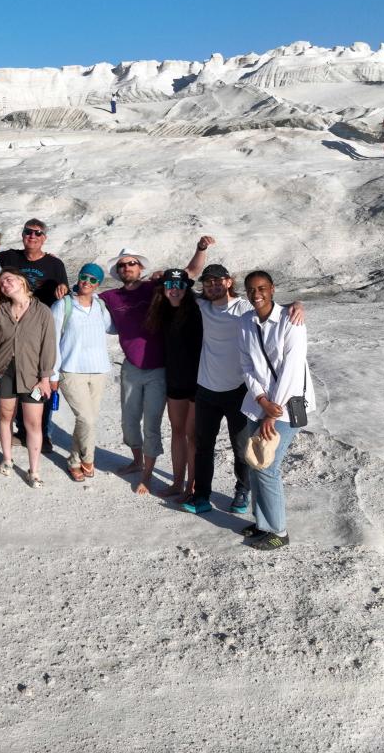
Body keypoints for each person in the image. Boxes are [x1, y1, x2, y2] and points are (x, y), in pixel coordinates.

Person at [181, 235, 304, 516]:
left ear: (228, 282)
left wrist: (297, 303)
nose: (212, 285)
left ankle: (242, 491)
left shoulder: (245, 309)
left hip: (239, 390)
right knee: (203, 446)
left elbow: (270, 305)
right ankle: (201, 495)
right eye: (208, 282)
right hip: (206, 389)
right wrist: (200, 249)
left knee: (240, 447)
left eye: (218, 281)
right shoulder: (201, 306)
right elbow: (186, 278)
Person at [99, 247, 203, 494]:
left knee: (152, 424)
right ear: (118, 271)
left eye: (132, 263)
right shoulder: (110, 297)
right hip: (131, 368)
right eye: (123, 265)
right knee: (129, 421)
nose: (127, 268)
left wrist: (200, 249)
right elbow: (84, 297)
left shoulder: (155, 288)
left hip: (159, 370)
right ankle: (137, 461)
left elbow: (189, 274)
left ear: (140, 268)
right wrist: (66, 290)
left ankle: (147, 473)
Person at [237, 270, 315, 550]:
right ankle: (262, 523)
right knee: (254, 461)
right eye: (250, 289)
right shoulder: (245, 321)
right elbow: (246, 364)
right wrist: (260, 400)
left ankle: (278, 532)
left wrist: (272, 412)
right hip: (259, 404)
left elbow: (293, 371)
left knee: (267, 465)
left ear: (272, 288)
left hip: (286, 406)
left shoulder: (291, 320)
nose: (256, 294)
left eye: (261, 288)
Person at [0, 219, 69, 452]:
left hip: (40, 328)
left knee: (41, 379)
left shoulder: (55, 264)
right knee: (16, 377)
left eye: (38, 233)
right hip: (14, 324)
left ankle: (43, 433)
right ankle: (21, 430)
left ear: (44, 238)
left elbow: (64, 289)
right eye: (28, 232)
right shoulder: (10, 257)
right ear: (23, 234)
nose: (32, 236)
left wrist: (64, 289)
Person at [0, 269, 57, 483]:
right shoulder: (1, 312)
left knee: (33, 423)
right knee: (5, 417)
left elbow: (48, 346)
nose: (5, 284)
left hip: (33, 375)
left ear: (22, 281)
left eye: (9, 279)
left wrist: (45, 378)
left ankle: (34, 471)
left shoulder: (42, 311)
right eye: (2, 282)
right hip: (5, 371)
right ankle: (7, 459)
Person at [50, 263, 114, 482]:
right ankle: (88, 458)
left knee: (88, 420)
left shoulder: (100, 306)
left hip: (98, 370)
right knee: (85, 418)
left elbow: (112, 327)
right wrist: (53, 375)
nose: (87, 282)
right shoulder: (63, 305)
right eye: (84, 277)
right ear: (78, 278)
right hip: (71, 370)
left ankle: (74, 462)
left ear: (98, 284)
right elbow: (52, 341)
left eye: (93, 280)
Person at [144, 268, 202, 499]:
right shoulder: (161, 310)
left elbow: (230, 302)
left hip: (199, 381)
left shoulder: (200, 307)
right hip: (175, 379)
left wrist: (295, 304)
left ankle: (192, 486)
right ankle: (178, 483)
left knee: (192, 434)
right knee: (177, 432)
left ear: (187, 288)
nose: (174, 290)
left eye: (179, 285)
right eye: (169, 285)